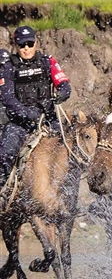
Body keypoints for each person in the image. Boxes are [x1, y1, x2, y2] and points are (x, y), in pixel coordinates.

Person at [0, 25, 71, 188]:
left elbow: (64, 85)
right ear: (15, 46)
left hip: (49, 119)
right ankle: (3, 190)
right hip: (20, 123)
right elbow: (8, 98)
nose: (26, 49)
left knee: (72, 147)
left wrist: (60, 95)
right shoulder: (8, 67)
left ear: (36, 43)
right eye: (22, 45)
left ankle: (72, 191)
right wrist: (27, 113)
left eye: (30, 44)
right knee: (5, 152)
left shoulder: (48, 62)